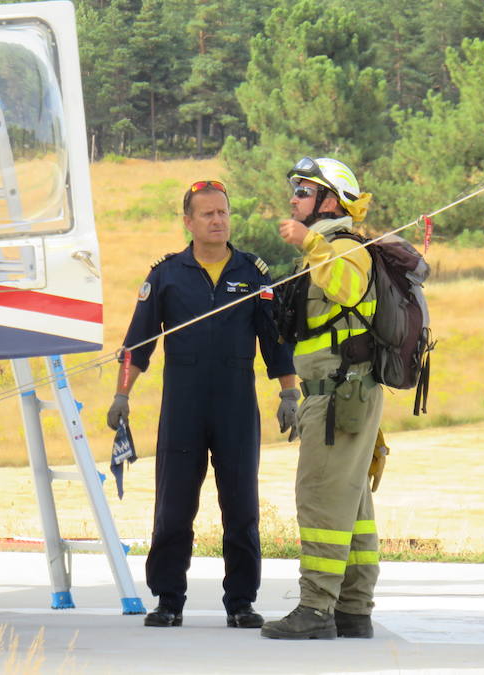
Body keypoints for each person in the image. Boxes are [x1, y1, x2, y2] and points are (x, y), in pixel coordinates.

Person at [106, 180, 298, 629]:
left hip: (235, 405)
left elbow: (275, 340)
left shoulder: (253, 273)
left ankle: (241, 603)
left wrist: (289, 392)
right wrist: (122, 393)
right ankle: (168, 600)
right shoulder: (167, 275)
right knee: (173, 506)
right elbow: (137, 343)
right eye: (207, 214)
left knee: (241, 507)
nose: (217, 220)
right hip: (184, 407)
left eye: (223, 212)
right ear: (188, 222)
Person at [260, 157, 382, 640]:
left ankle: (315, 610)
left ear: (329, 201)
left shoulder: (346, 247)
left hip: (337, 398)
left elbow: (349, 289)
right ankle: (353, 609)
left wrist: (310, 242)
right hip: (344, 395)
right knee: (350, 506)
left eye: (303, 191)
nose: (293, 198)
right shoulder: (332, 248)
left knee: (321, 500)